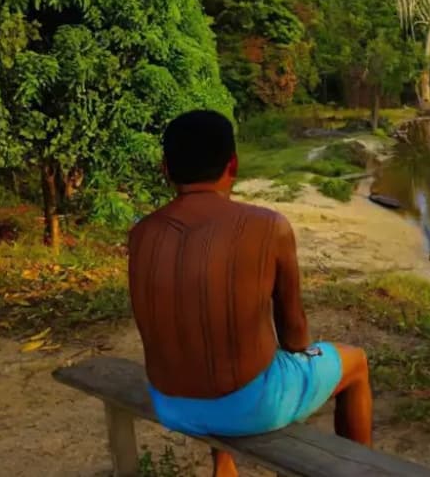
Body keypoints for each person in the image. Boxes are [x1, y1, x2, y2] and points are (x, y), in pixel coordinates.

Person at [128, 110, 373, 477]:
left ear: (166, 169)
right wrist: (303, 350)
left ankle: (224, 466)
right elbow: (294, 335)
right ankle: (360, 471)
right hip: (251, 406)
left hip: (171, 404)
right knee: (355, 363)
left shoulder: (141, 233)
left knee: (216, 346)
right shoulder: (267, 226)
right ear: (233, 164)